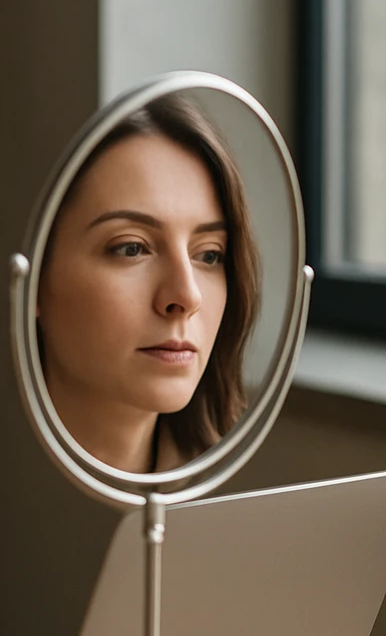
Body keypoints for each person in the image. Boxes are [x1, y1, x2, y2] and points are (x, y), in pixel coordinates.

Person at [36, 93, 260, 474]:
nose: (187, 296)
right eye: (131, 248)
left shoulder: (234, 504)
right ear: (36, 278)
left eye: (209, 255)